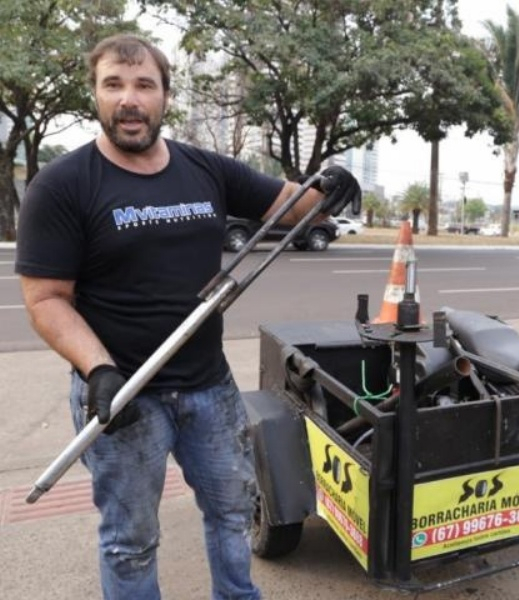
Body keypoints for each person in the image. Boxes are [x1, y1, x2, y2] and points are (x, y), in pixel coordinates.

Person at [14, 33, 360, 600]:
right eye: (114, 85)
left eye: (144, 85)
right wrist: (98, 370)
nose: (130, 99)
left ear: (165, 97)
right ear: (95, 95)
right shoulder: (62, 185)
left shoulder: (205, 169)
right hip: (123, 396)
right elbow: (47, 298)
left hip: (209, 388)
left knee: (230, 511)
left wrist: (329, 185)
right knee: (131, 540)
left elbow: (295, 205)